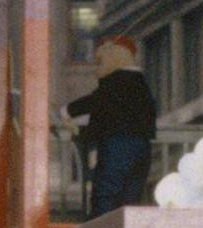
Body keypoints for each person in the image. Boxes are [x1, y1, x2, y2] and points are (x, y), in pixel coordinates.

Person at [64, 36, 157, 215]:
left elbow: (96, 104)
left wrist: (68, 111)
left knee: (105, 196)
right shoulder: (140, 84)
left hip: (117, 146)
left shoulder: (116, 82)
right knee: (129, 200)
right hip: (141, 147)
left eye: (100, 62)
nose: (96, 68)